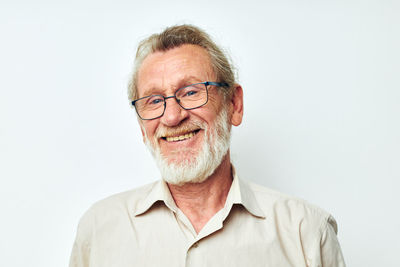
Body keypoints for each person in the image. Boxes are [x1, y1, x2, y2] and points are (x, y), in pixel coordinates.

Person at [69, 24, 346, 267]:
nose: (172, 116)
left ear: (234, 105)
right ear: (142, 127)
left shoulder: (306, 232)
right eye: (154, 101)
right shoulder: (98, 230)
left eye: (190, 92)